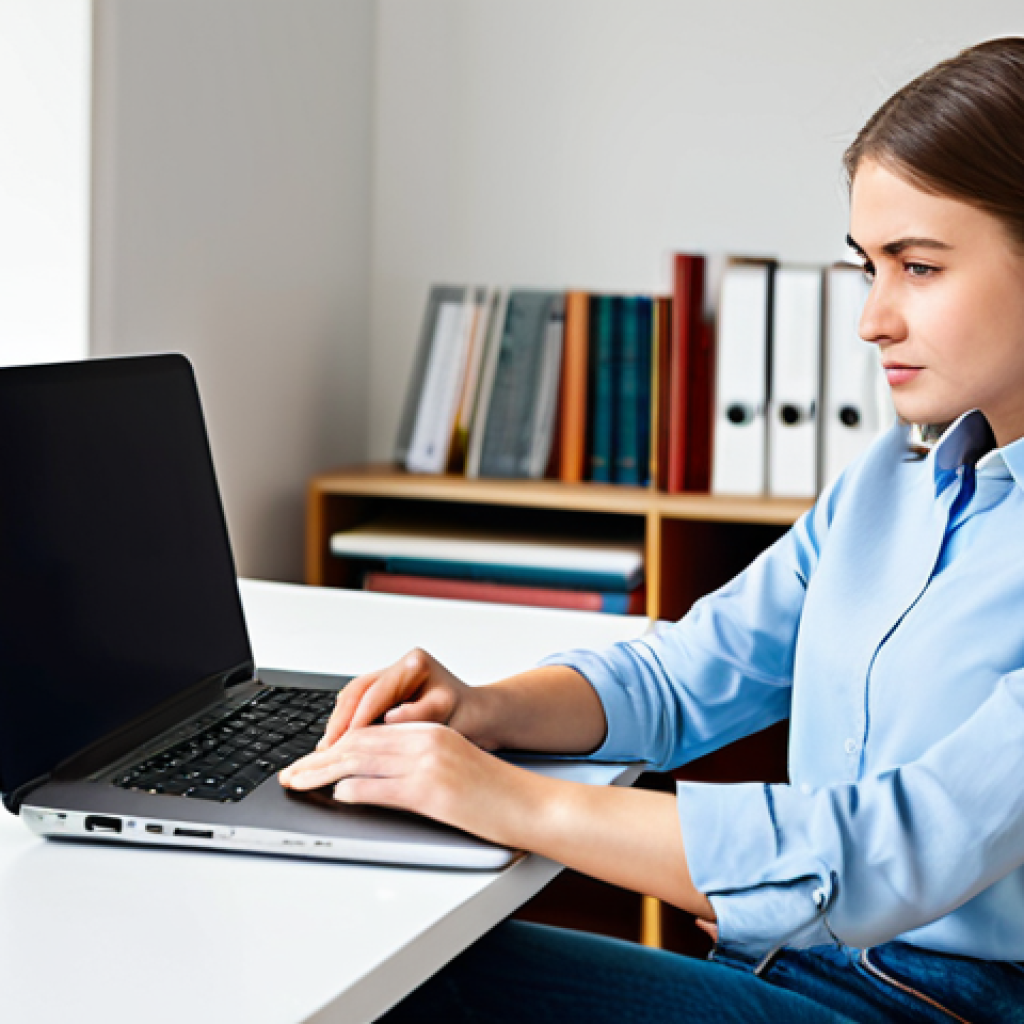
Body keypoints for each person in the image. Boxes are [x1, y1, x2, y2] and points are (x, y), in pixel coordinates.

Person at [280, 37, 1024, 1023]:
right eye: (866, 269)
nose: (872, 320)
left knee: (406, 994)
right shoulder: (891, 484)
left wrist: (508, 799)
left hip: (941, 1008)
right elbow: (686, 673)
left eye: (918, 267)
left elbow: (900, 847)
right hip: (793, 965)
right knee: (379, 965)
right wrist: (483, 709)